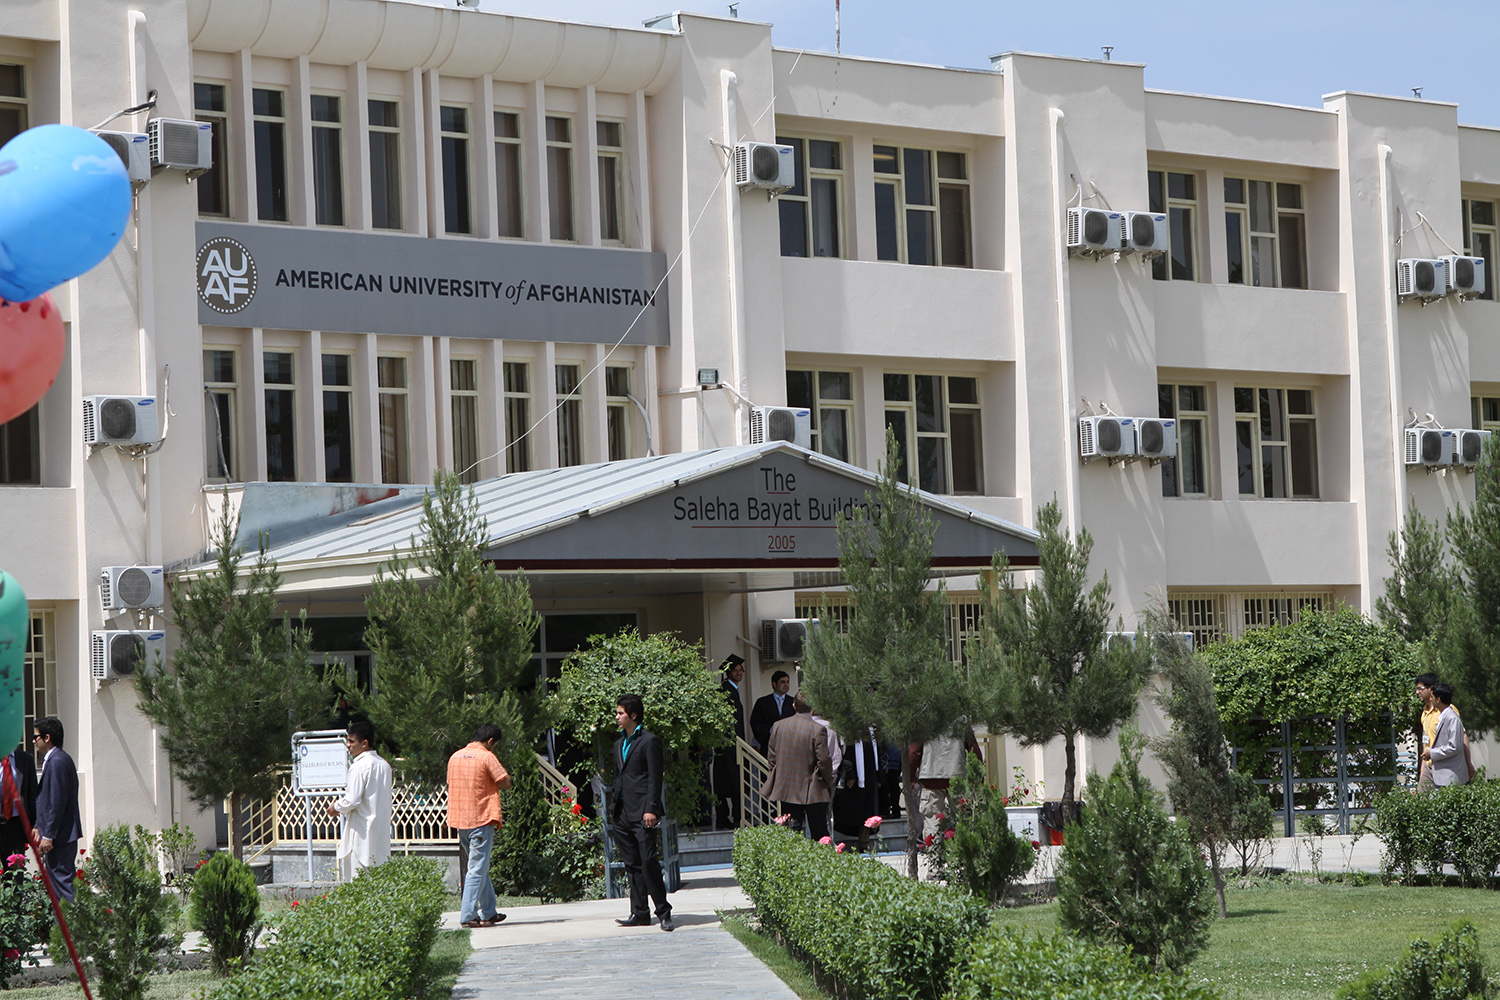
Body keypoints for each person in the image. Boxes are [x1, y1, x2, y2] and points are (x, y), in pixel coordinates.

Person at [611, 693, 673, 931]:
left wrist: (651, 809)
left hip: (643, 812)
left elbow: (655, 778)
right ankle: (639, 912)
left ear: (633, 715)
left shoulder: (649, 741)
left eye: (621, 713)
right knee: (632, 864)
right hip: (622, 812)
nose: (617, 717)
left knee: (648, 862)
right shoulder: (619, 744)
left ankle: (664, 912)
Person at [447, 722, 512, 929]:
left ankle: (489, 912)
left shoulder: (455, 757)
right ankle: (468, 915)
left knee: (480, 867)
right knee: (476, 869)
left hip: (461, 820)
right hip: (481, 819)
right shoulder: (487, 756)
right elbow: (506, 783)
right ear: (491, 741)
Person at [760, 694, 835, 839]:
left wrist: (780, 776)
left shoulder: (778, 726)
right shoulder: (818, 729)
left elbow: (772, 758)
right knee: (820, 834)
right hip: (813, 787)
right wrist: (828, 780)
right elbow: (823, 760)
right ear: (813, 708)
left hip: (787, 786)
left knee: (791, 833)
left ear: (794, 706)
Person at [326, 720, 393, 880]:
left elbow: (352, 799)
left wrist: (335, 807)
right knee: (378, 880)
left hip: (361, 831)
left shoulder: (360, 766)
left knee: (357, 880)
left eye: (351, 741)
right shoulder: (384, 765)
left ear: (364, 743)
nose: (348, 745)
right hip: (380, 831)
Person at [32, 717, 81, 902]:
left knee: (64, 886)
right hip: (59, 835)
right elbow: (48, 800)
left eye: (36, 737)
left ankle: (73, 920)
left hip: (60, 836)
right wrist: (39, 825)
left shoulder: (58, 761)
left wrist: (49, 835)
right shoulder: (55, 760)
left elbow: (57, 801)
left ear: (47, 738)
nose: (33, 741)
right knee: (57, 889)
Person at [910, 730, 980, 841]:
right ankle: (962, 848)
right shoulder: (962, 721)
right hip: (957, 775)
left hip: (931, 776)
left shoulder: (924, 722)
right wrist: (978, 778)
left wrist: (910, 777)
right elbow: (974, 749)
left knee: (932, 821)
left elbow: (914, 752)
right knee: (962, 819)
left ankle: (934, 850)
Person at [1415, 673, 1474, 789]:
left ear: (1430, 689)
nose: (1417, 692)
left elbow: (1461, 738)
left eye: (1420, 689)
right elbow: (1426, 744)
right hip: (1429, 767)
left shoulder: (1448, 712)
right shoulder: (1424, 713)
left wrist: (1468, 764)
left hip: (1445, 768)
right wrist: (1422, 772)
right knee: (1420, 797)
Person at [712, 654, 746, 828]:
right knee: (731, 781)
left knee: (729, 782)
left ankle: (727, 817)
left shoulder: (732, 690)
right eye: (735, 670)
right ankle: (731, 817)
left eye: (741, 670)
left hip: (730, 745)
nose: (739, 673)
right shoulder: (725, 691)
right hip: (729, 746)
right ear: (729, 672)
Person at [832, 730, 881, 847]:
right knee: (855, 808)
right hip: (854, 776)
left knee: (868, 809)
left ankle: (864, 841)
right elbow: (846, 752)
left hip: (869, 776)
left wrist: (879, 776)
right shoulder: (850, 728)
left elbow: (877, 753)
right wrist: (850, 774)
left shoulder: (871, 731)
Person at [0, 741, 37, 861]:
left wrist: (36, 825)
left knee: (15, 870)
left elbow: (33, 794)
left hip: (15, 826)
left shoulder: (25, 759)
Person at [750, 670, 796, 753]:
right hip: (768, 746)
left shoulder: (793, 702)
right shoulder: (762, 702)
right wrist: (770, 730)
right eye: (783, 682)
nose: (786, 685)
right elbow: (755, 723)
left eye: (787, 682)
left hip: (789, 746)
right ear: (774, 684)